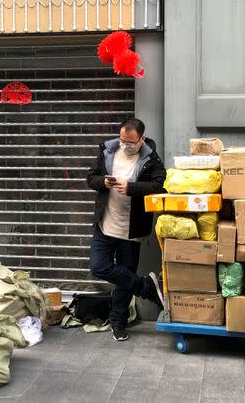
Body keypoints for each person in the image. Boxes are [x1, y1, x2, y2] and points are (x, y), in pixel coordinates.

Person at [86, 118, 167, 341]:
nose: (125, 145)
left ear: (141, 139)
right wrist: (102, 182)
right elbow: (90, 178)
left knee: (123, 279)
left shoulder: (150, 158)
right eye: (122, 140)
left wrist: (132, 188)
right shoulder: (107, 151)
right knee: (98, 266)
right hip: (105, 224)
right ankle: (145, 286)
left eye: (130, 142)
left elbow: (160, 185)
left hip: (131, 230)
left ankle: (118, 322)